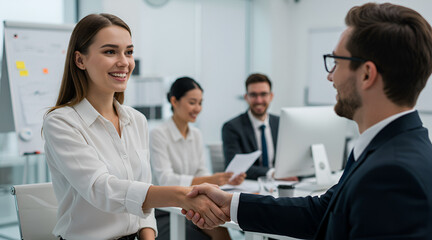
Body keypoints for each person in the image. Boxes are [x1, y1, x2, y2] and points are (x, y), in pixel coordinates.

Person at [184, 3, 432, 239]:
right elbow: (322, 211)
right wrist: (232, 204)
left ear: (367, 74)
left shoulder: (393, 174)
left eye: (336, 62)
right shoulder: (390, 148)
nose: (330, 76)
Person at [42, 13, 227, 240]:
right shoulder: (62, 122)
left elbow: (142, 204)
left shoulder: (136, 120)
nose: (124, 62)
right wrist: (181, 195)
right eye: (110, 51)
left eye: (128, 52)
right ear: (80, 60)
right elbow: (102, 190)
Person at [150, 77, 245, 240]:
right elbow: (166, 180)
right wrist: (210, 179)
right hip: (165, 210)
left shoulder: (196, 134)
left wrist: (222, 180)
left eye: (200, 103)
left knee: (222, 233)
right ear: (174, 101)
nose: (198, 108)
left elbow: (201, 170)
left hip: (192, 205)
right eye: (192, 102)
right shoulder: (158, 134)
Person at [222, 73, 297, 181]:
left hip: (279, 186)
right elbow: (234, 167)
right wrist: (272, 173)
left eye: (263, 94)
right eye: (253, 95)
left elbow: (291, 159)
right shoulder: (232, 127)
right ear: (246, 97)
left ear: (271, 96)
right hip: (250, 187)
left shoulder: (281, 123)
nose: (259, 100)